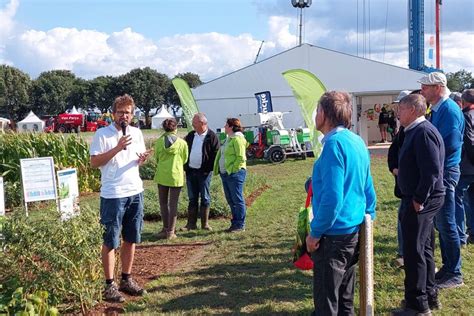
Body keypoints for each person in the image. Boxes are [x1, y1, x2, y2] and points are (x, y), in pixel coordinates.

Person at [305, 91, 376, 315]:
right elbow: (367, 187)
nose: (316, 115)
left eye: (317, 110)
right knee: (345, 299)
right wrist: (369, 217)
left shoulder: (334, 145)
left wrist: (315, 233)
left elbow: (332, 198)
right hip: (352, 231)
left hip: (333, 235)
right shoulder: (356, 141)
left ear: (324, 113)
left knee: (327, 302)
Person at [90, 94, 151, 303]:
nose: (124, 115)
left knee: (131, 238)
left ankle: (126, 279)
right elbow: (94, 162)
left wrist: (142, 159)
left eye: (128, 112)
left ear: (132, 114)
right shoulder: (102, 134)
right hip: (113, 194)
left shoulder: (137, 132)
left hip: (134, 191)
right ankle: (109, 285)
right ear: (113, 113)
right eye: (120, 112)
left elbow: (136, 160)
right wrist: (117, 147)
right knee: (110, 240)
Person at [392, 94, 445, 316]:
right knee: (423, 248)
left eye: (401, 109)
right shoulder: (412, 130)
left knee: (414, 252)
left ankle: (417, 305)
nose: (398, 114)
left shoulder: (423, 132)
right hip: (418, 199)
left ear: (413, 110)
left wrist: (419, 199)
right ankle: (429, 296)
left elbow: (432, 171)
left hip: (422, 200)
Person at [419, 72, 465, 289]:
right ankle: (448, 268)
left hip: (445, 171)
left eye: (426, 87)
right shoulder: (440, 109)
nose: (422, 90)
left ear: (438, 88)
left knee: (447, 223)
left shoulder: (448, 111)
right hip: (442, 170)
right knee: (442, 223)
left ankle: (454, 272)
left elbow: (450, 144)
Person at [182, 113, 220, 231]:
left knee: (205, 197)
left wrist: (208, 169)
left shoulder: (211, 136)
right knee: (192, 198)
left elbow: (216, 154)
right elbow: (184, 150)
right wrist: (185, 167)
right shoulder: (191, 135)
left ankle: (205, 224)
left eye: (195, 122)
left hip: (204, 173)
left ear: (202, 123)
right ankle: (191, 224)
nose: (192, 124)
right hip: (191, 171)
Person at [387, 90, 411, 268]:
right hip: (403, 184)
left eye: (400, 106)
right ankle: (404, 252)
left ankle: (406, 254)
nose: (398, 110)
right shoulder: (403, 127)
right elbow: (394, 151)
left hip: (411, 187)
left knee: (408, 220)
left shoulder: (416, 129)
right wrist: (393, 168)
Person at [154, 118, 189, 240]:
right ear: (176, 127)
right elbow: (185, 159)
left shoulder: (159, 142)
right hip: (176, 176)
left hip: (162, 175)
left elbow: (156, 157)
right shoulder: (182, 143)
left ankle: (165, 228)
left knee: (163, 203)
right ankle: (171, 231)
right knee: (173, 204)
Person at [213, 118, 248, 233]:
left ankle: (240, 224)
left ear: (232, 127)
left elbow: (240, 157)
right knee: (231, 200)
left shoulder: (237, 139)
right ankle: (235, 223)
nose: (224, 127)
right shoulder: (229, 139)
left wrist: (232, 170)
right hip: (226, 174)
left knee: (237, 199)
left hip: (234, 174)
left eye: (226, 125)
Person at [454, 89, 474, 245]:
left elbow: (468, 140)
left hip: (467, 166)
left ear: (464, 102)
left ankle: (461, 235)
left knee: (458, 199)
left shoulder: (466, 116)